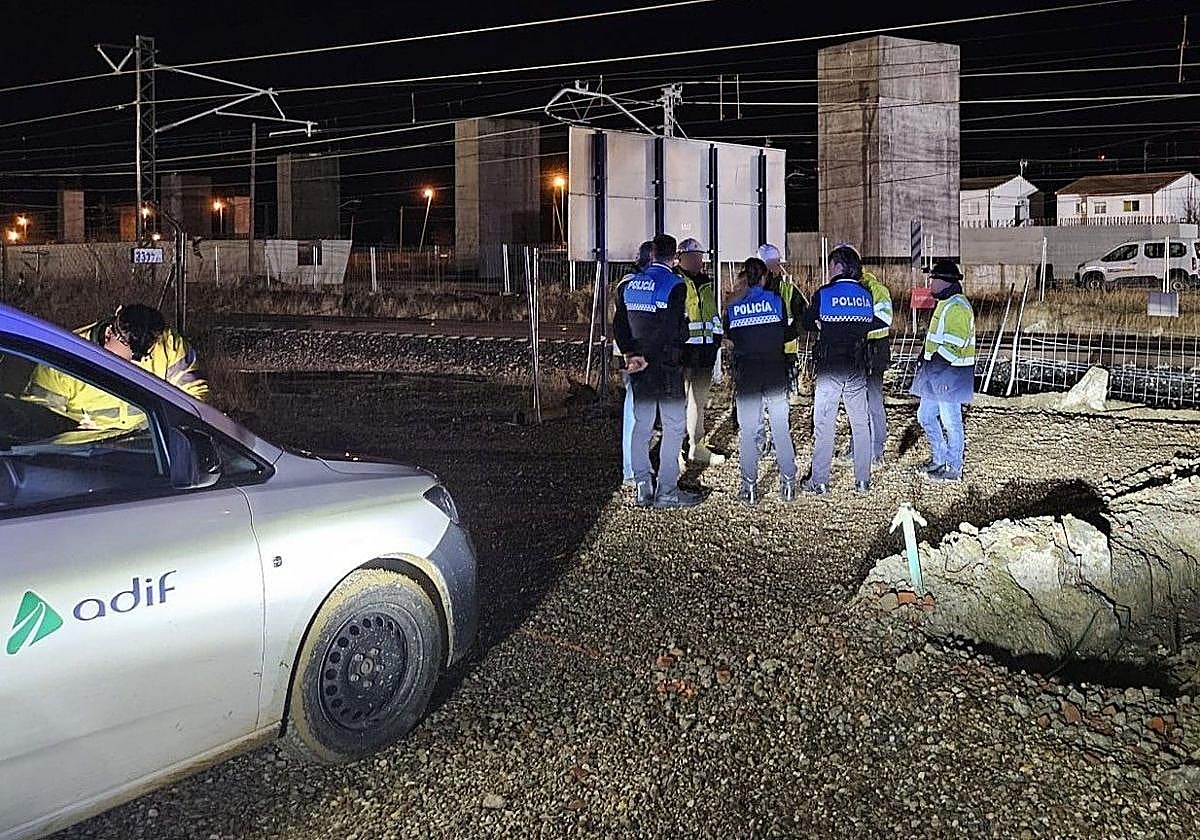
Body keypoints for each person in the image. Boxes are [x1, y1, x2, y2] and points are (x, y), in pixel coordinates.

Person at [612, 233, 700, 508]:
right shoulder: (675, 284)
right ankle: (667, 491)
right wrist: (683, 330)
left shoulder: (630, 284)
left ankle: (641, 486)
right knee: (674, 427)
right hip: (665, 366)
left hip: (638, 365)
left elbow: (620, 324)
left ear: (651, 255)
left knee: (642, 426)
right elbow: (673, 330)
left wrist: (632, 353)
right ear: (674, 257)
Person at [24, 303, 207, 430]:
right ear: (109, 334)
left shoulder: (167, 345)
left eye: (142, 356)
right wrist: (70, 429)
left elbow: (195, 400)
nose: (133, 364)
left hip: (149, 447)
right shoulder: (67, 355)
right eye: (128, 356)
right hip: (84, 453)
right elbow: (39, 417)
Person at [800, 244, 883, 495]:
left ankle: (820, 481)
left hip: (829, 367)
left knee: (825, 423)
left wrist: (823, 324)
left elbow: (806, 322)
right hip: (857, 366)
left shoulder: (825, 294)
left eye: (831, 264)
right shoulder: (866, 295)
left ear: (838, 266)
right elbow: (869, 324)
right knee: (860, 423)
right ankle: (862, 481)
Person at [724, 257, 798, 505]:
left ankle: (749, 488)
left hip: (747, 376)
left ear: (745, 277)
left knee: (748, 432)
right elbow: (786, 330)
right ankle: (788, 484)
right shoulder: (776, 301)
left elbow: (729, 336)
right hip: (775, 373)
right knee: (780, 429)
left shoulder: (734, 308)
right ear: (765, 277)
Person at [911, 260, 976, 483]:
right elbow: (937, 340)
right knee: (925, 415)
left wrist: (933, 367)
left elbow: (953, 346)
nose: (931, 284)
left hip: (950, 374)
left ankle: (953, 468)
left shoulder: (957, 307)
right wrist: (925, 360)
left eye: (934, 280)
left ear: (944, 281)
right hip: (938, 373)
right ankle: (940, 460)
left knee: (951, 422)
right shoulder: (946, 303)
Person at [675, 237, 725, 466]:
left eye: (700, 257)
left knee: (699, 402)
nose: (699, 261)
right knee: (678, 404)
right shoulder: (677, 281)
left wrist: (716, 342)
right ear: (681, 257)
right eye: (694, 257)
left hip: (704, 353)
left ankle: (697, 447)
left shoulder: (705, 284)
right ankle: (674, 452)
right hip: (683, 354)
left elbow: (713, 317)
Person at [754, 243, 807, 456]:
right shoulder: (750, 292)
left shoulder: (788, 289)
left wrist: (785, 335)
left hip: (784, 352)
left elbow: (802, 318)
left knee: (779, 401)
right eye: (770, 264)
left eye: (776, 264)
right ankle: (761, 440)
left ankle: (777, 440)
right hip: (761, 353)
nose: (774, 267)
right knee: (759, 401)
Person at [614, 241, 655, 484]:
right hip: (636, 354)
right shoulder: (632, 284)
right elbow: (623, 321)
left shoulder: (628, 283)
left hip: (635, 352)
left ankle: (636, 466)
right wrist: (630, 352)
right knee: (635, 410)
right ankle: (632, 469)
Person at [862, 267, 893, 464]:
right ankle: (859, 447)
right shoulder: (858, 288)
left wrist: (856, 325)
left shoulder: (875, 289)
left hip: (873, 350)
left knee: (873, 400)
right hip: (862, 349)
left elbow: (884, 319)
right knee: (859, 403)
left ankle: (877, 449)